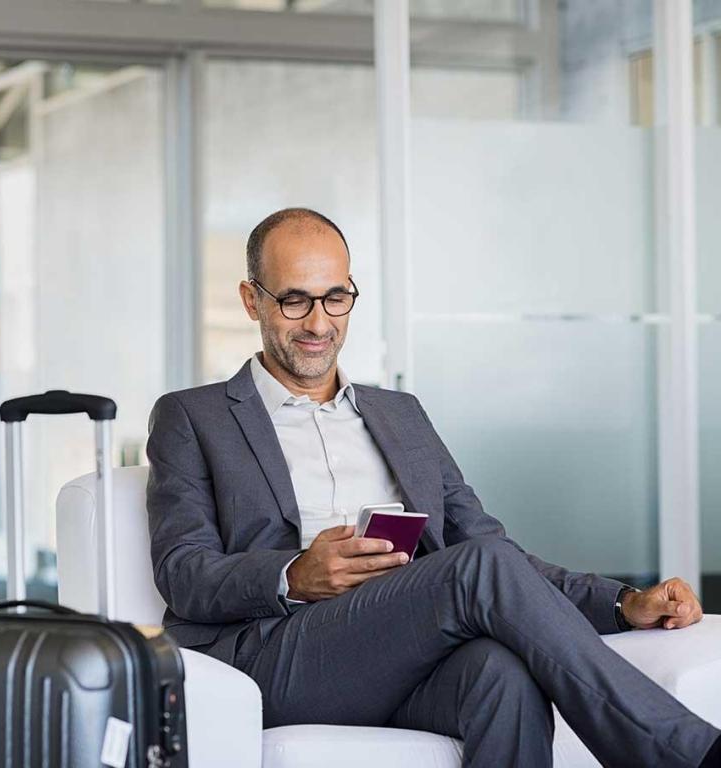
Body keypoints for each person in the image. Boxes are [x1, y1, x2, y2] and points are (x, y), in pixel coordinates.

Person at [145, 207, 721, 767]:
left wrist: (623, 603)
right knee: (478, 568)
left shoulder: (401, 415)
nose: (319, 323)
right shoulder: (194, 417)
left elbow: (503, 560)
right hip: (279, 657)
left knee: (503, 674)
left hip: (402, 651)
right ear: (253, 299)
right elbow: (183, 571)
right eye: (294, 300)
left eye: (336, 298)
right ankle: (684, 752)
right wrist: (294, 574)